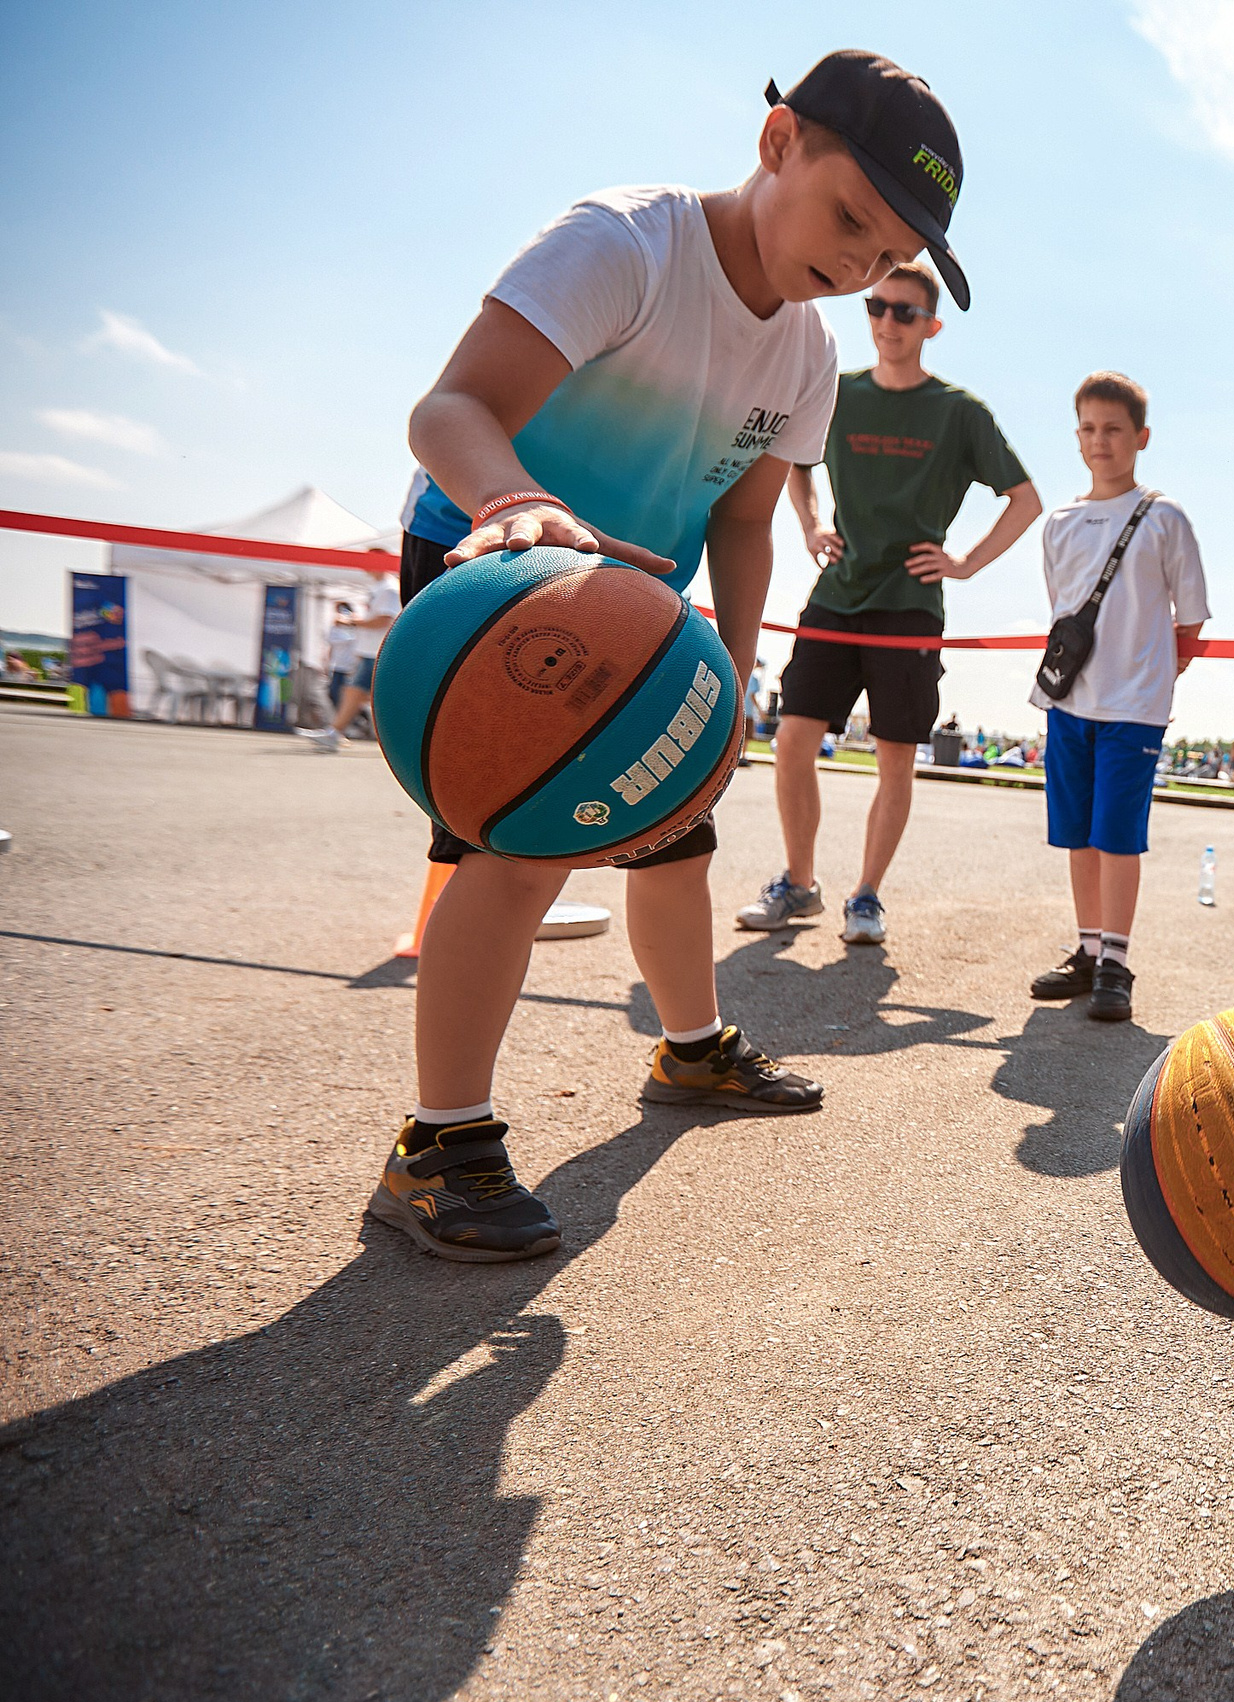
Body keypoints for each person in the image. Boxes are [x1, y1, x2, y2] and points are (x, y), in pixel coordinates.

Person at [370, 50, 968, 1263]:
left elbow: (746, 521)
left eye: (884, 253)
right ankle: (438, 1144)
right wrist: (512, 500)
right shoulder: (624, 247)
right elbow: (447, 412)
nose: (858, 265)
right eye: (849, 218)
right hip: (494, 567)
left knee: (674, 830)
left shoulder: (803, 354)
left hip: (642, 614)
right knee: (518, 851)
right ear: (777, 144)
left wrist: (731, 684)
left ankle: (691, 1049)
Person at [736, 258, 1040, 944]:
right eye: (877, 307)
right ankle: (798, 882)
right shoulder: (836, 391)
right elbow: (792, 462)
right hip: (837, 595)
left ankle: (866, 896)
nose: (888, 322)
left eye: (904, 312)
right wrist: (811, 523)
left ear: (931, 325)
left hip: (910, 605)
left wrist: (963, 562)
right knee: (791, 741)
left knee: (894, 755)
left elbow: (1025, 501)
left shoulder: (960, 412)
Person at [1025, 372, 1209, 1022]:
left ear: (1141, 437)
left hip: (1133, 710)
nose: (1100, 441)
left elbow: (1190, 624)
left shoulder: (1165, 517)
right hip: (1070, 703)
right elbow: (1063, 612)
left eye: (1114, 429)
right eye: (1089, 428)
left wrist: (1151, 679)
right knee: (1077, 835)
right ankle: (1087, 948)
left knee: (1118, 837)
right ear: (1077, 435)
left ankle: (1117, 962)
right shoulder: (1059, 523)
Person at [299, 570, 399, 751]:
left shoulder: (389, 589)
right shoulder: (382, 587)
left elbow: (384, 620)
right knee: (356, 691)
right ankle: (335, 732)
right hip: (373, 651)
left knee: (365, 693)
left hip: (378, 651)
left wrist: (351, 622)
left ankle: (336, 732)